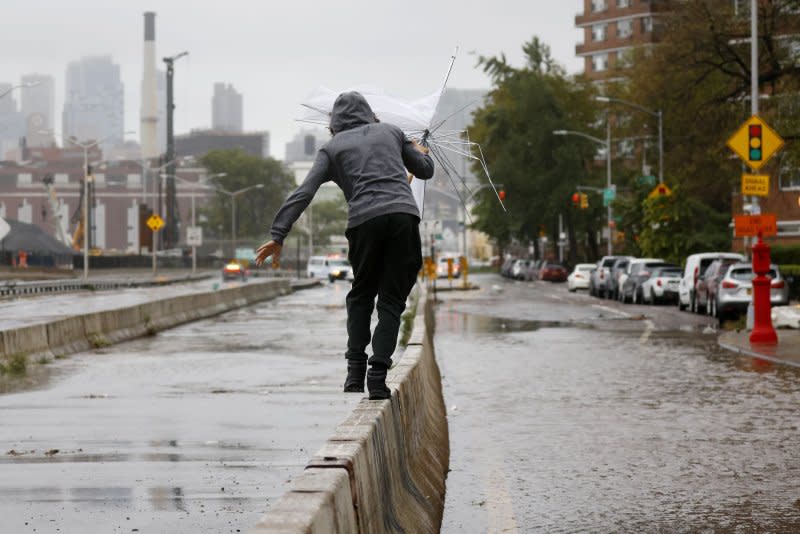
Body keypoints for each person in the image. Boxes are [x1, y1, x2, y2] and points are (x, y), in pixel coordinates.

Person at [255, 91, 434, 400]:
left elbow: (304, 192)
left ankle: (354, 369)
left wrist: (278, 234)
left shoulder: (331, 148)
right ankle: (377, 377)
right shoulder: (392, 132)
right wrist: (421, 150)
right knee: (392, 300)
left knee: (362, 294)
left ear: (333, 123)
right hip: (403, 218)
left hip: (364, 223)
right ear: (370, 113)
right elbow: (425, 170)